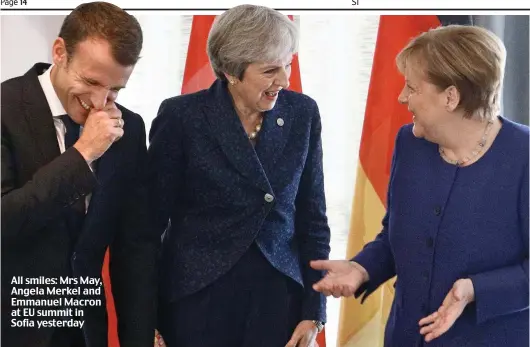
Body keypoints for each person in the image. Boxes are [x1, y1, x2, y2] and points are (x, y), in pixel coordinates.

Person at [311, 25, 528, 347]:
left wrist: (475, 289)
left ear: (450, 97)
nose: (401, 98)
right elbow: (396, 236)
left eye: (412, 88)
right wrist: (362, 268)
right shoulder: (410, 144)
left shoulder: (524, 155)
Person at [149, 5, 330, 347]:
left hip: (279, 303)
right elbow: (148, 227)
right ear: (232, 71)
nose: (285, 80)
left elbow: (312, 219)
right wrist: (146, 319)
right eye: (270, 70)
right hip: (197, 301)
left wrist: (314, 310)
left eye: (288, 64)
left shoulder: (302, 113)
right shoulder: (182, 118)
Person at [1, 2, 157, 346]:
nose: (101, 102)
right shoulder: (5, 107)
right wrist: (83, 153)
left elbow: (135, 251)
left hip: (87, 333)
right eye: (91, 81)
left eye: (116, 89)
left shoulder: (128, 128)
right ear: (60, 52)